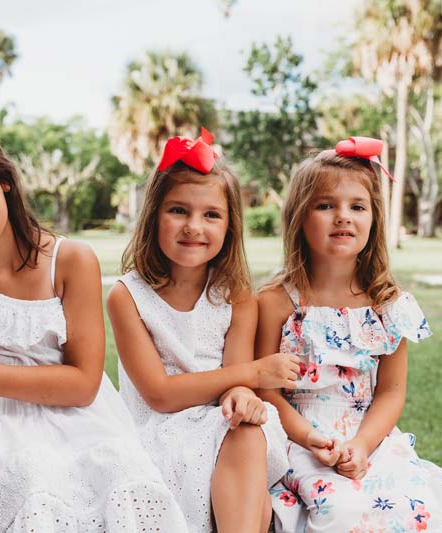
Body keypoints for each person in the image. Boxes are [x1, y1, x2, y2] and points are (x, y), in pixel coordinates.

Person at [0, 105, 188, 532]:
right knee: (36, 486)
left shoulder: (69, 261)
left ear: (5, 180)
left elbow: (84, 383)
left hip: (82, 419)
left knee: (125, 482)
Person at [255, 137, 442, 532]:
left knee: (413, 509)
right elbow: (266, 391)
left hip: (369, 437)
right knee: (337, 510)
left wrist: (362, 446)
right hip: (297, 436)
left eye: (357, 206)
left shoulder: (387, 304)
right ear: (299, 217)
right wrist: (311, 439)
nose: (342, 216)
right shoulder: (276, 302)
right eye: (325, 205)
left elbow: (392, 392)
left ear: (374, 219)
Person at [107, 129, 294, 533]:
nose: (194, 226)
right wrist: (254, 376)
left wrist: (244, 396)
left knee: (247, 432)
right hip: (155, 432)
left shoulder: (236, 294)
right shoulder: (127, 297)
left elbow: (236, 378)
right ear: (154, 214)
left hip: (220, 423)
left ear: (229, 227)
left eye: (211, 215)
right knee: (252, 498)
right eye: (178, 210)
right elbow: (158, 395)